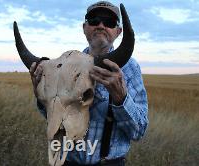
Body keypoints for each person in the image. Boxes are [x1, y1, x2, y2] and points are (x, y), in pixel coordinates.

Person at [30, 1, 148, 166]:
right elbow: (54, 117)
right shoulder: (66, 64)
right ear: (84, 27)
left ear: (118, 31)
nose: (100, 25)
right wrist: (44, 97)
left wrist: (121, 99)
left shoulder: (130, 68)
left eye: (109, 22)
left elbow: (139, 132)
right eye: (94, 20)